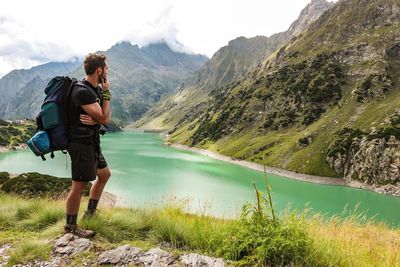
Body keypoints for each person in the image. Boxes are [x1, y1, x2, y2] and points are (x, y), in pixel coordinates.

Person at [64, 53, 112, 238]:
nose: (108, 71)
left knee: (104, 175)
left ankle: (90, 213)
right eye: (106, 68)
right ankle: (70, 227)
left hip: (92, 143)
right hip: (81, 144)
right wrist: (106, 96)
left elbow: (101, 118)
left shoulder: (95, 89)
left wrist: (96, 121)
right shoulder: (82, 91)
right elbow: (106, 118)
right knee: (79, 185)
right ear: (99, 70)